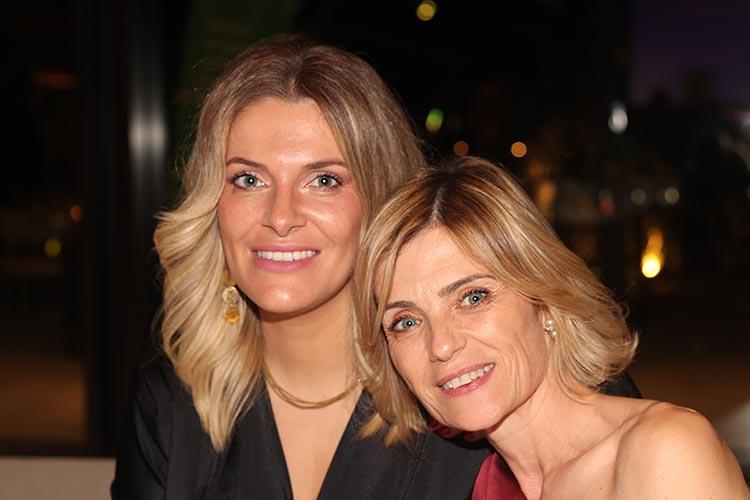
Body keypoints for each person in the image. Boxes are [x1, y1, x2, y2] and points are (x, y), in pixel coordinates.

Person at [111, 35, 496, 499]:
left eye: (324, 180)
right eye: (248, 179)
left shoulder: (464, 394)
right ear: (213, 204)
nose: (280, 216)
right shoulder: (171, 405)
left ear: (379, 201)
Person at [355, 156, 749, 499]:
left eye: (472, 298)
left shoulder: (664, 452)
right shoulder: (471, 485)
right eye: (406, 322)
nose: (441, 345)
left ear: (543, 300)